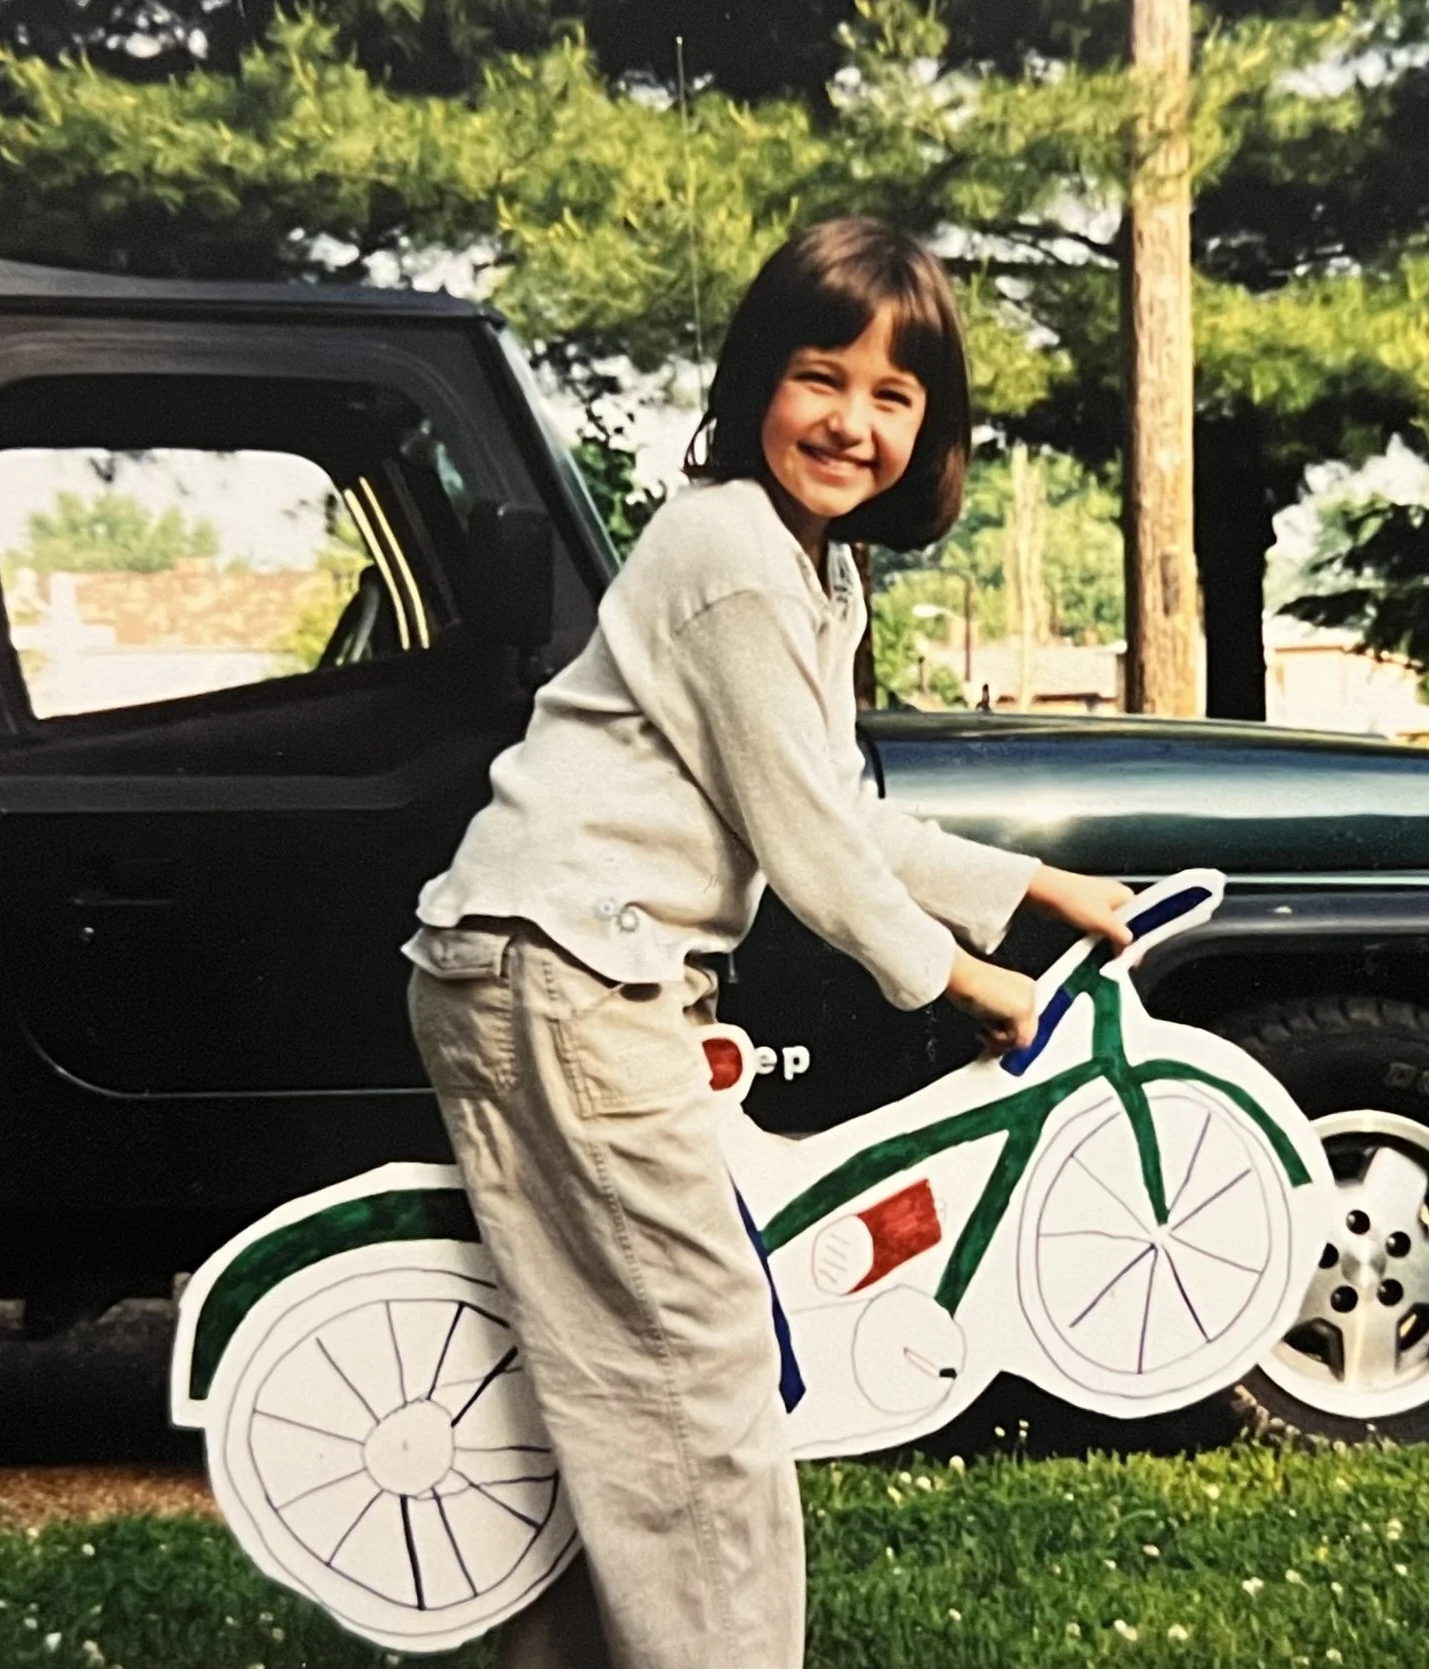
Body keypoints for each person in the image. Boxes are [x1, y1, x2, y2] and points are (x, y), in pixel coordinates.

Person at [401, 216, 1136, 1669]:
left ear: (930, 429)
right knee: (696, 1363)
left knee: (620, 1368)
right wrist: (966, 982)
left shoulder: (807, 568)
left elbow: (837, 810)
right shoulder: (734, 550)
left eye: (893, 395)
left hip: (560, 969)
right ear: (756, 386)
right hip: (568, 975)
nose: (853, 422)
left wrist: (1038, 888)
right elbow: (807, 843)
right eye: (821, 378)